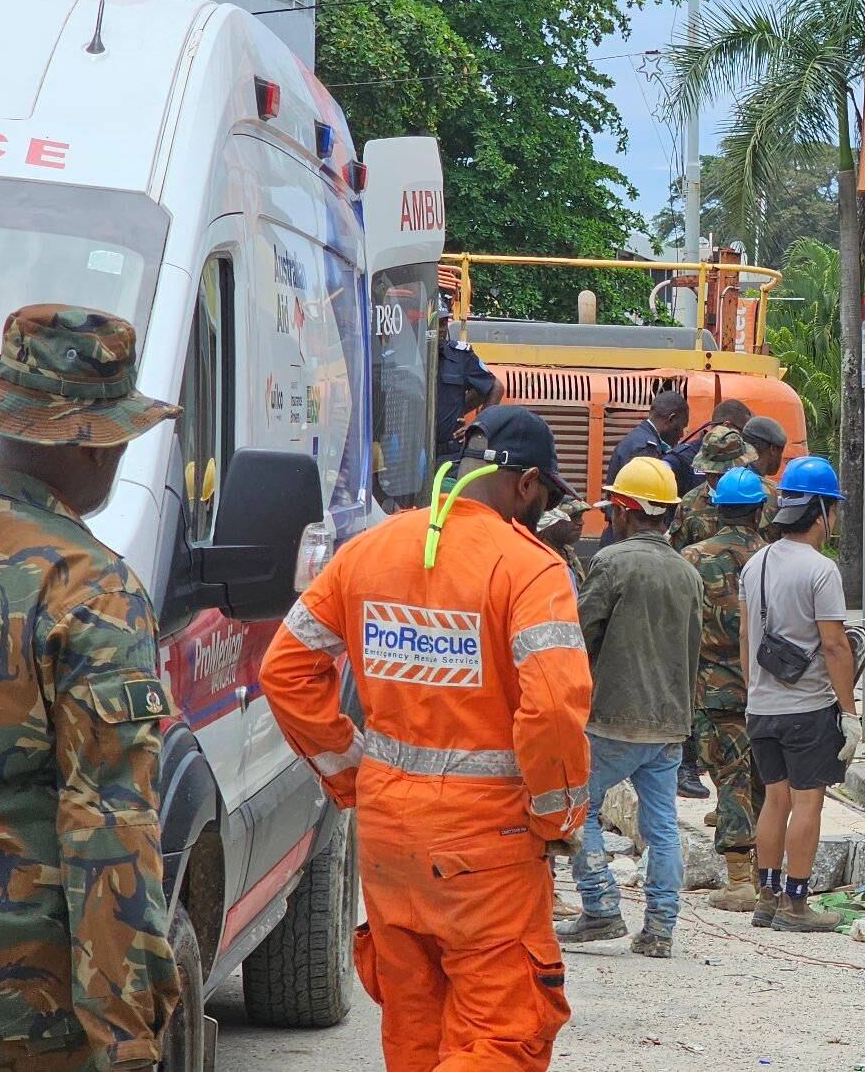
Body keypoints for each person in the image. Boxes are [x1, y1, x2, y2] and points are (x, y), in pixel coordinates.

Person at [263, 403, 592, 1071]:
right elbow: (554, 707)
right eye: (545, 498)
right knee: (503, 1037)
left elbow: (286, 671)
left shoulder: (372, 548)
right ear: (527, 483)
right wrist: (557, 816)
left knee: (416, 1028)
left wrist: (352, 776)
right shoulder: (528, 568)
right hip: (487, 848)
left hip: (389, 838)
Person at [0, 306, 182, 1071]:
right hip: (24, 1022)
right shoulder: (91, 589)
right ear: (95, 444)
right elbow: (109, 829)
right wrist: (128, 1040)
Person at [559, 456, 704, 959]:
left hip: (612, 718)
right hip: (669, 723)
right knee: (662, 826)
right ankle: (660, 928)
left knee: (579, 810)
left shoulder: (612, 562)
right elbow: (693, 649)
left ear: (623, 510)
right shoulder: (688, 573)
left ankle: (601, 907)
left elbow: (579, 636)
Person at [740, 456, 862, 933]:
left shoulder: (756, 563)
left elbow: (747, 637)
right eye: (835, 508)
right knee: (808, 801)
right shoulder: (821, 569)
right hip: (807, 708)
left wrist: (754, 691)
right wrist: (849, 712)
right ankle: (796, 904)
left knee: (775, 800)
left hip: (761, 706)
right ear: (821, 511)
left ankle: (766, 897)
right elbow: (834, 645)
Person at [681, 467, 770, 911]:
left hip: (714, 688)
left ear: (717, 509)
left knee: (731, 777)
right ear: (759, 510)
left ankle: (739, 880)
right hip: (770, 687)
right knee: (765, 777)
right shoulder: (773, 557)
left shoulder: (694, 558)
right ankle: (764, 874)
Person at [669, 424, 759, 800]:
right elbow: (676, 561)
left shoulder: (763, 500)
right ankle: (692, 769)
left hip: (756, 637)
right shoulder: (690, 505)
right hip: (708, 636)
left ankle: (735, 808)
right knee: (705, 719)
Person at [602, 389, 689, 543]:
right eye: (681, 427)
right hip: (631, 540)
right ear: (671, 419)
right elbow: (642, 506)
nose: (681, 435)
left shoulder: (638, 439)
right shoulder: (645, 449)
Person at [672, 422, 759, 551]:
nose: (720, 479)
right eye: (716, 475)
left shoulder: (768, 495)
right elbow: (677, 552)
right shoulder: (689, 504)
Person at [435, 320, 501, 463]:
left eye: (443, 323)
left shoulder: (460, 355)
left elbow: (495, 387)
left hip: (448, 454)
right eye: (435, 323)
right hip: (410, 451)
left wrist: (479, 424)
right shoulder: (407, 354)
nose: (440, 329)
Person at [669, 398, 752, 495]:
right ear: (727, 426)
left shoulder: (744, 456)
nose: (745, 438)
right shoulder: (683, 458)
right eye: (743, 431)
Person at [537, 490, 595, 588]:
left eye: (580, 517)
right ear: (551, 520)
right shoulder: (538, 555)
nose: (581, 523)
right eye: (574, 517)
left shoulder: (567, 553)